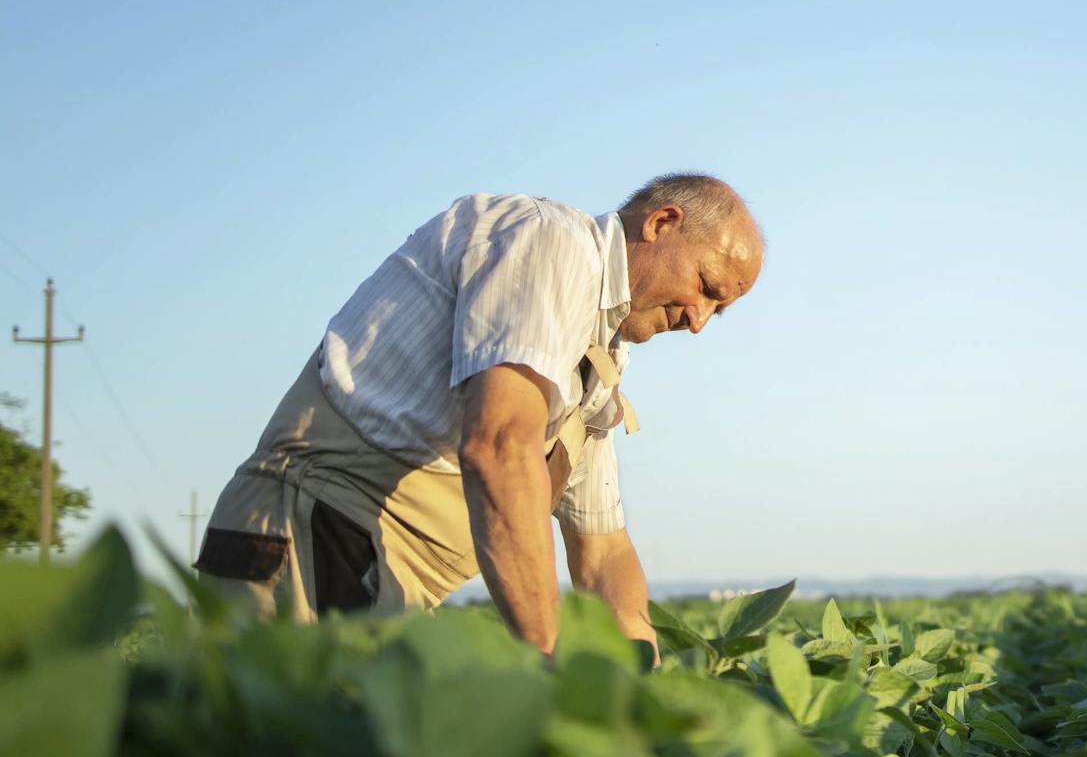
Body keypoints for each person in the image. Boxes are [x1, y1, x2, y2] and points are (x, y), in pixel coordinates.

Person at [193, 173, 763, 656]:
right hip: (310, 531)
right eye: (707, 288)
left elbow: (604, 553)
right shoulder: (552, 245)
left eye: (720, 310)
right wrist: (549, 660)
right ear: (661, 223)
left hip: (381, 576)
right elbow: (497, 448)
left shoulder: (602, 361)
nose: (699, 321)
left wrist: (642, 687)